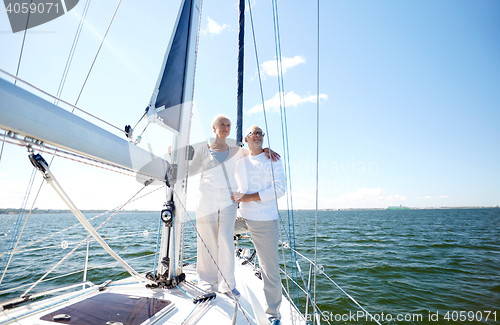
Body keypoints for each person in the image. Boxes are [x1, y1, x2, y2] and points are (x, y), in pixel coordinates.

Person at [188, 115, 278, 298]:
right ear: (214, 128)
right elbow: (190, 171)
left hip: (229, 197)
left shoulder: (237, 151)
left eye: (228, 125)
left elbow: (255, 152)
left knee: (226, 239)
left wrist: (266, 149)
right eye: (222, 124)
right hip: (206, 196)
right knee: (206, 238)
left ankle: (227, 284)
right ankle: (206, 280)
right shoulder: (203, 150)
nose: (226, 127)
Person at [231, 125, 286, 325]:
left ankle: (273, 315)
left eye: (260, 133)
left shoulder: (273, 159)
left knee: (269, 268)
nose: (257, 136)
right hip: (242, 217)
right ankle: (220, 281)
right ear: (246, 138)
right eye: (253, 133)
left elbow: (280, 189)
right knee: (215, 230)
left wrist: (248, 197)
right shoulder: (239, 160)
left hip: (264, 220)